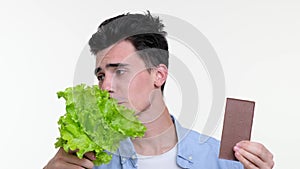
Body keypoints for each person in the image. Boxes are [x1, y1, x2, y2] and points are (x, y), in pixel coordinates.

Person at [44, 11, 274, 169]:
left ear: (159, 75)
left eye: (120, 71)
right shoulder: (88, 160)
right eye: (101, 75)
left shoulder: (221, 160)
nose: (105, 87)